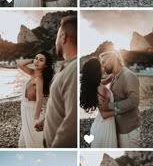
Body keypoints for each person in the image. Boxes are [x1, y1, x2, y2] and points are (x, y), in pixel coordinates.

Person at [35, 16, 77, 147]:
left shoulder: (73, 69)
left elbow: (72, 121)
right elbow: (60, 104)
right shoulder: (66, 67)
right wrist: (44, 121)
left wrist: (54, 147)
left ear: (63, 37)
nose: (56, 42)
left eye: (57, 37)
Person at [98, 51, 142, 148]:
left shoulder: (129, 76)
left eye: (104, 62)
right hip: (119, 128)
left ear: (113, 60)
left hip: (129, 129)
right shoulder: (114, 76)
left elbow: (133, 101)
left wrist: (109, 106)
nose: (103, 66)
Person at [17, 51, 54, 148]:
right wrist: (33, 60)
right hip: (24, 107)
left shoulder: (39, 79)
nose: (37, 61)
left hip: (31, 110)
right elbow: (20, 64)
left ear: (45, 65)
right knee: (25, 136)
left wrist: (36, 118)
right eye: (36, 58)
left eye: (41, 60)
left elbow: (39, 99)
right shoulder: (33, 73)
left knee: (34, 138)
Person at [80, 57, 118, 148]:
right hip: (104, 126)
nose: (103, 67)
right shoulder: (100, 89)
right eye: (101, 66)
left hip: (103, 124)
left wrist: (112, 75)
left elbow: (105, 81)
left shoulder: (97, 84)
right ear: (96, 70)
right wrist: (119, 110)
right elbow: (104, 115)